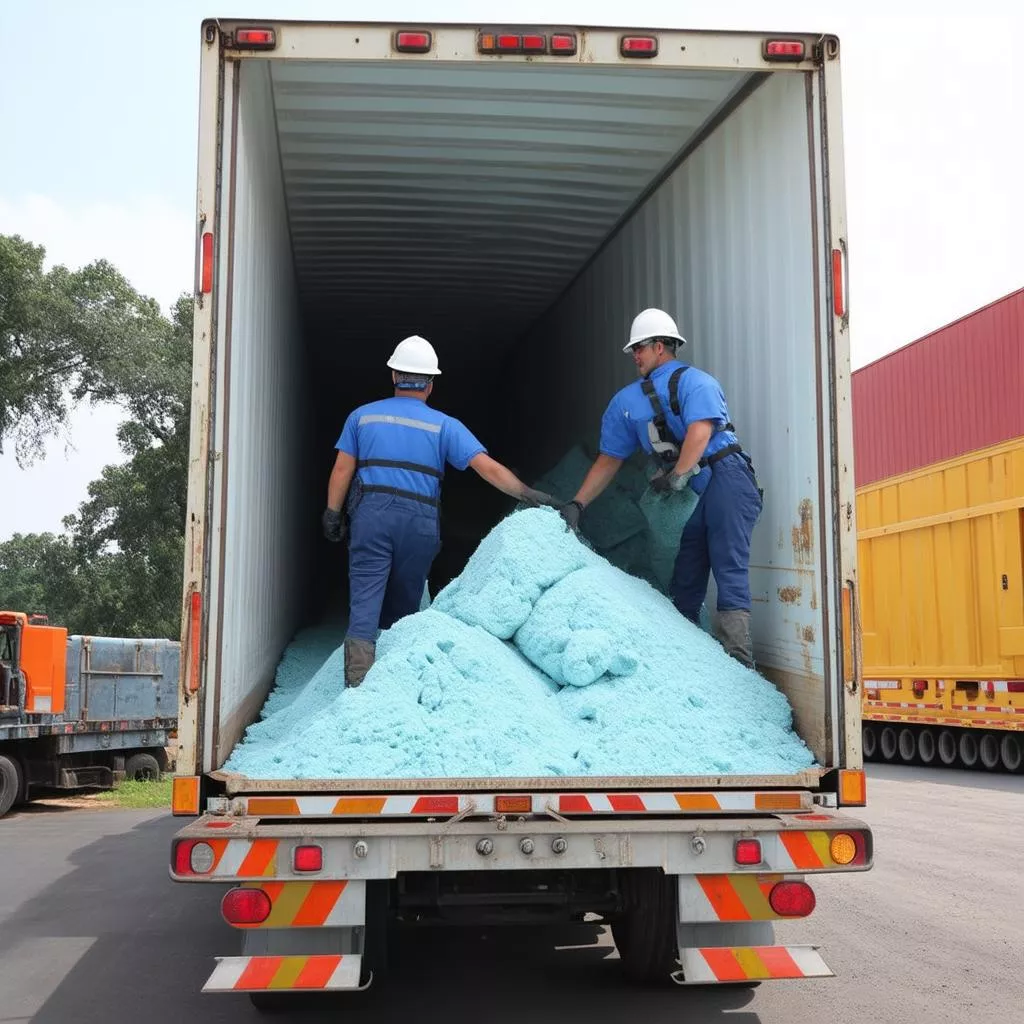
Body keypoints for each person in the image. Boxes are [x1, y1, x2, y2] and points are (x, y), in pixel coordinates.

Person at [322, 335, 560, 686]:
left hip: (372, 518)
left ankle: (357, 684)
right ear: (430, 385)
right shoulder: (445, 426)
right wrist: (527, 494)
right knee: (404, 605)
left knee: (365, 598)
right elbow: (487, 467)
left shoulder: (362, 418)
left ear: (393, 376)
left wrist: (332, 512)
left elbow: (342, 469)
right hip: (419, 523)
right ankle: (396, 679)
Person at [559, 308, 762, 668]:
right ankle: (683, 659)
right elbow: (609, 459)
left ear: (663, 347)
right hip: (696, 489)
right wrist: (578, 503)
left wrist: (678, 475)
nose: (635, 355)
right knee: (686, 574)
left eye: (641, 347)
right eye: (634, 349)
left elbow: (700, 433)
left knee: (728, 566)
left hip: (726, 478)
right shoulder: (626, 402)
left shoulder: (696, 382)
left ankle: (740, 665)